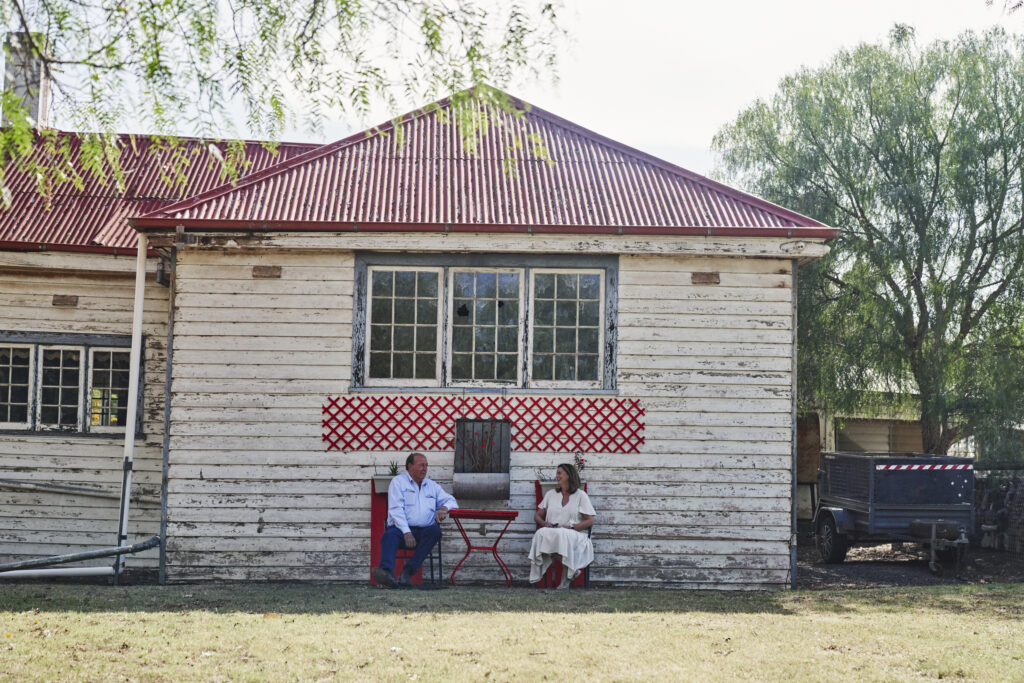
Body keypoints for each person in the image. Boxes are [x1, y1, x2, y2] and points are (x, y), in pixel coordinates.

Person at [372, 452, 458, 589]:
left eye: (426, 465)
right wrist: (406, 532)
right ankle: (387, 574)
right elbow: (395, 510)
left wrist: (443, 508)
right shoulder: (398, 482)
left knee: (435, 531)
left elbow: (451, 500)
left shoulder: (432, 486)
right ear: (410, 466)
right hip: (401, 531)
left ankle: (407, 573)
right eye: (421, 465)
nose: (425, 468)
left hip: (424, 531)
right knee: (388, 536)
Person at [528, 463, 595, 589]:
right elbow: (537, 516)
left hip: (576, 534)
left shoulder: (581, 495)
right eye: (557, 473)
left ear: (569, 476)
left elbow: (590, 521)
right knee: (540, 533)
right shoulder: (551, 494)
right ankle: (572, 569)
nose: (557, 476)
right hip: (555, 532)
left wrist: (572, 527)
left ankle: (565, 582)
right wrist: (544, 523)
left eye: (560, 473)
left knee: (562, 534)